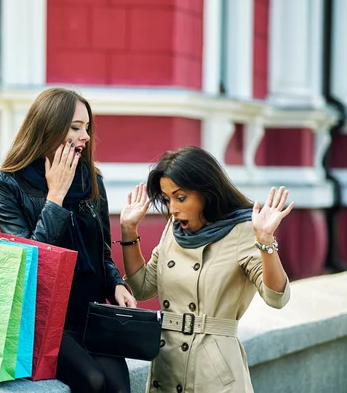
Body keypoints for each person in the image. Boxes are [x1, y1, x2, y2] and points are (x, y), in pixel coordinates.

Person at [0, 87, 136, 393]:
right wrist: (55, 197)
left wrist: (117, 284)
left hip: (92, 314)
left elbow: (103, 255)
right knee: (92, 382)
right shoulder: (6, 184)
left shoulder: (93, 180)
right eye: (76, 127)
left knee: (120, 388)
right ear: (50, 127)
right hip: (49, 321)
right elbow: (29, 260)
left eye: (87, 128)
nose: (86, 137)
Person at [119, 146, 293, 393]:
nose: (172, 209)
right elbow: (142, 288)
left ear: (207, 192)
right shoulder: (174, 229)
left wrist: (265, 241)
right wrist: (128, 230)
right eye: (167, 199)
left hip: (213, 372)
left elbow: (277, 298)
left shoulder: (242, 230)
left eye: (180, 198)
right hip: (166, 366)